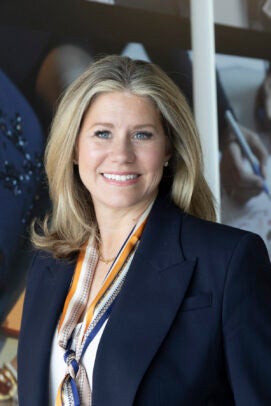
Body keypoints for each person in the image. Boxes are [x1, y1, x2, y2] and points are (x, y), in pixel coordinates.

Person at [17, 55, 271, 405]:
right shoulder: (46, 265)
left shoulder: (230, 261)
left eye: (142, 135)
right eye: (102, 133)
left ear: (168, 148)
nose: (121, 154)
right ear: (75, 147)